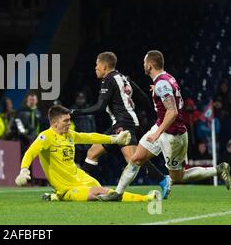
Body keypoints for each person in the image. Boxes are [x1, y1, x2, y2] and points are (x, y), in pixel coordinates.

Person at [97, 50, 230, 201]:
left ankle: (218, 170)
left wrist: (157, 133)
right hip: (162, 128)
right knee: (136, 158)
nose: (143, 65)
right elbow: (174, 98)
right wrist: (158, 95)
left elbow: (172, 112)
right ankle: (117, 193)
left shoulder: (161, 84)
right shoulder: (167, 79)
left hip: (173, 136)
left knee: (178, 176)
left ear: (150, 65)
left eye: (144, 63)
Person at [71, 52, 170, 198]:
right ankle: (80, 185)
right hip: (124, 122)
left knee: (133, 159)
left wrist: (77, 112)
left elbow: (99, 107)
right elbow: (143, 97)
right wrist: (147, 116)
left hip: (123, 123)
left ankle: (163, 179)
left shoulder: (108, 80)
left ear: (104, 66)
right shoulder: (124, 78)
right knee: (93, 152)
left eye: (97, 64)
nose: (95, 68)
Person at [15, 105, 160, 202]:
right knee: (99, 192)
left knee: (96, 186)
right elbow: (30, 152)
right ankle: (145, 198)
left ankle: (54, 197)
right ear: (54, 123)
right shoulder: (45, 137)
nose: (68, 123)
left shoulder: (69, 135)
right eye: (65, 121)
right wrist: (23, 170)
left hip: (79, 177)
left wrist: (114, 139)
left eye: (69, 120)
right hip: (67, 188)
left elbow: (90, 136)